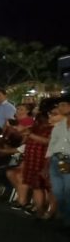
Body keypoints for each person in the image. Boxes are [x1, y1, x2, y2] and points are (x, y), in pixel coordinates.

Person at [18, 98, 57, 218]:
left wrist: (30, 135)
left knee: (50, 187)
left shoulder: (56, 126)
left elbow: (49, 142)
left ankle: (51, 211)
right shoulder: (36, 123)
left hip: (44, 157)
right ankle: (39, 210)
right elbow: (24, 136)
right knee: (36, 185)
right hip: (32, 156)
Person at [47, 96, 70, 231]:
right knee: (57, 191)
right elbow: (52, 143)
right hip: (56, 159)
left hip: (67, 160)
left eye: (62, 105)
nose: (59, 108)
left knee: (67, 191)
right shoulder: (59, 125)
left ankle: (67, 221)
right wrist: (47, 162)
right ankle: (65, 216)